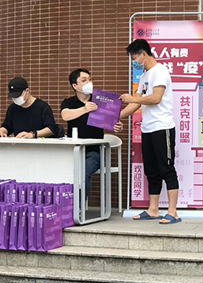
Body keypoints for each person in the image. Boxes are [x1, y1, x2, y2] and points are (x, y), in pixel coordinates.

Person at [119, 39, 181, 224]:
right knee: (151, 171)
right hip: (148, 128)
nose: (134, 62)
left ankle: (173, 212)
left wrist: (132, 98)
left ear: (144, 54)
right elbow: (137, 103)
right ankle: (153, 210)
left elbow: (155, 98)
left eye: (134, 58)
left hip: (162, 127)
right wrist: (116, 117)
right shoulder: (145, 75)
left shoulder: (160, 71)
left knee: (167, 169)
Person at [60, 68, 123, 202]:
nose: (89, 83)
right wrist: (84, 109)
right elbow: (65, 115)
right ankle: (66, 204)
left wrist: (117, 126)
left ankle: (78, 207)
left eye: (90, 79)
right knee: (63, 172)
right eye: (84, 80)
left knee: (83, 173)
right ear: (75, 86)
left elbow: (112, 120)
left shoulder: (100, 101)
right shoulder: (69, 102)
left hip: (95, 151)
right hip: (74, 151)